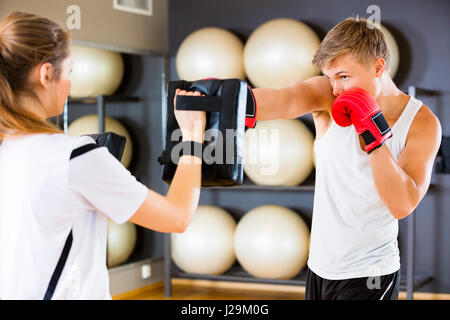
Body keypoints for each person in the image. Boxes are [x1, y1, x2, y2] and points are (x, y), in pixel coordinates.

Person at [0, 12, 205, 299]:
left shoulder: (8, 149)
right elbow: (177, 217)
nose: (70, 85)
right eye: (69, 72)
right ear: (46, 74)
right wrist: (193, 138)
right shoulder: (73, 158)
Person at [253, 17, 441, 300]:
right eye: (330, 77)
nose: (336, 88)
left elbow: (402, 204)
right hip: (320, 268)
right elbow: (282, 99)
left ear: (379, 67)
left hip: (370, 273)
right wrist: (225, 100)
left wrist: (375, 137)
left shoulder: (421, 122)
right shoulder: (328, 96)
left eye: (343, 76)